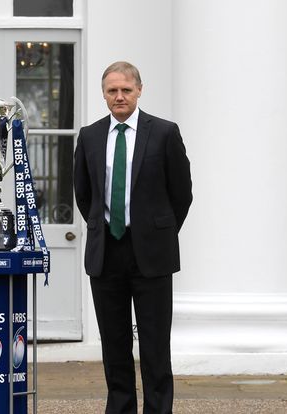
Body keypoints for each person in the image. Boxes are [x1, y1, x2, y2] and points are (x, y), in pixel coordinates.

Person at [73, 61, 192, 414]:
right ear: (104, 94)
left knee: (155, 345)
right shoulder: (90, 135)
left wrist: (158, 231)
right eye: (112, 91)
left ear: (139, 90)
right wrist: (107, 227)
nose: (119, 96)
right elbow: (84, 194)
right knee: (115, 344)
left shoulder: (165, 133)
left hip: (152, 255)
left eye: (126, 89)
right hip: (106, 253)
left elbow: (181, 194)